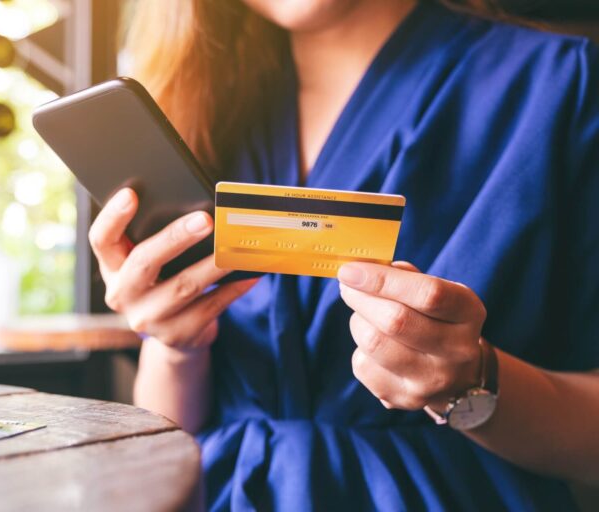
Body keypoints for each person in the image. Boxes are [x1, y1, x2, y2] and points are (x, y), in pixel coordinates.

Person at [88, 0, 599, 509]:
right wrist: (176, 345)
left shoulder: (558, 85)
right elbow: (181, 434)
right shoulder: (197, 105)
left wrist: (471, 387)